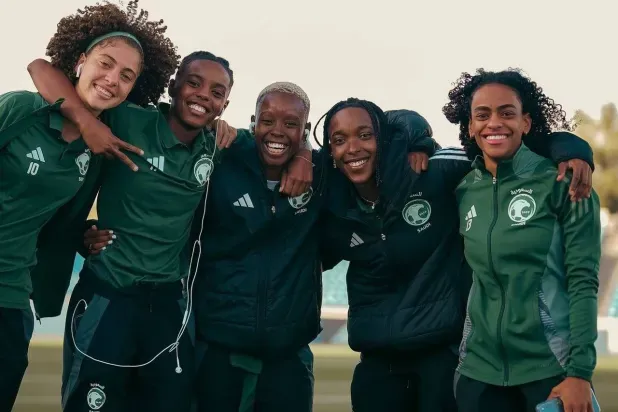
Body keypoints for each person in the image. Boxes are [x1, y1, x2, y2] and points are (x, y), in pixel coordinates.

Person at [316, 96, 594, 412]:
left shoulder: (434, 170)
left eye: (365, 135)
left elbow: (499, 144)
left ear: (384, 139)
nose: (353, 148)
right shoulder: (332, 202)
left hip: (442, 358)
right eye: (339, 140)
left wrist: (570, 149)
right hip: (376, 361)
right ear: (330, 151)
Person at [0, 2, 176, 410]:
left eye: (126, 76)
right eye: (105, 63)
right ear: (80, 61)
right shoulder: (22, 110)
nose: (112, 79)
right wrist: (86, 120)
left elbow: (55, 220)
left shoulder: (99, 150)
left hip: (11, 297)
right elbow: (38, 66)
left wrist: (82, 236)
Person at [443, 68, 601, 412]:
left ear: (525, 122)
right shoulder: (464, 189)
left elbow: (583, 281)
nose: (494, 123)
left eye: (507, 113)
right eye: (482, 115)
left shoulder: (565, 182)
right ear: (470, 126)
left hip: (551, 370)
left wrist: (580, 372)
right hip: (479, 373)